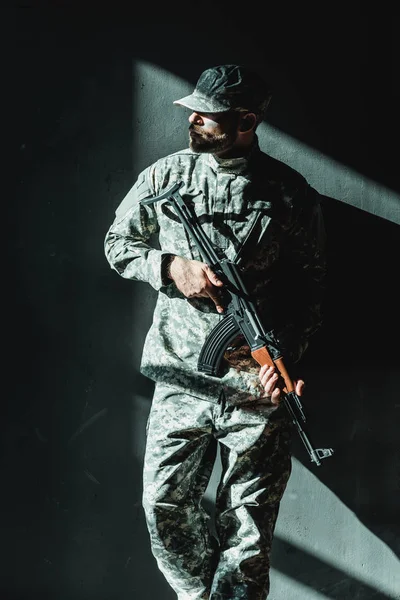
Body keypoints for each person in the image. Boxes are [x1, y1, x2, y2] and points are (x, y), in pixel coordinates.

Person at [104, 64, 326, 600]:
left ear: (247, 120)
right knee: (163, 504)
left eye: (210, 115)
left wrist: (283, 363)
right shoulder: (166, 178)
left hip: (255, 387)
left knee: (248, 526)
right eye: (194, 111)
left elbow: (308, 292)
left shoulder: (289, 194)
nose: (195, 120)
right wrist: (168, 268)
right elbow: (118, 243)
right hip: (181, 373)